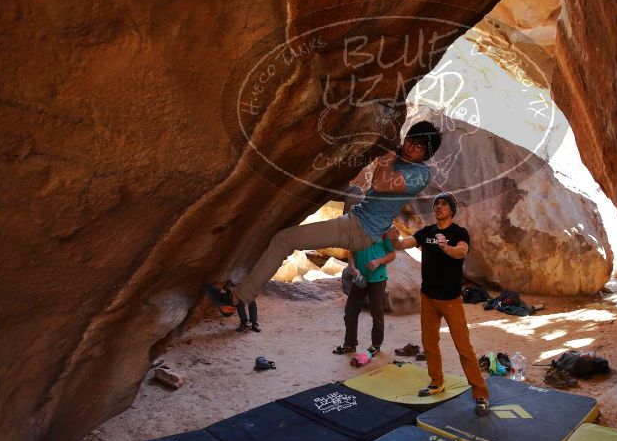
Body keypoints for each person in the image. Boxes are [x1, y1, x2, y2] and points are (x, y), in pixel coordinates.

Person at [203, 121, 442, 328]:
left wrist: (388, 154)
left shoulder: (420, 174)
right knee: (354, 193)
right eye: (411, 141)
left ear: (426, 154)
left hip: (358, 230)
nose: (411, 148)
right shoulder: (402, 159)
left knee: (283, 240)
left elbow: (380, 183)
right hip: (360, 218)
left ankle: (235, 300)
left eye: (419, 147)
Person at [389, 192, 490, 416]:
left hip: (451, 300)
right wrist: (392, 237)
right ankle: (437, 382)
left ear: (452, 210)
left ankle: (480, 393)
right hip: (428, 297)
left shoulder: (458, 233)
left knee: (463, 347)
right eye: (436, 204)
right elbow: (402, 244)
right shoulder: (427, 232)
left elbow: (461, 251)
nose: (439, 207)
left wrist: (446, 248)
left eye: (444, 204)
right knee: (430, 344)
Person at [333, 226, 398, 357]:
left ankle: (376, 345)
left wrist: (378, 261)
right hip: (360, 277)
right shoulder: (357, 230)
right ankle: (349, 345)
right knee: (350, 311)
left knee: (376, 312)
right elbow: (352, 253)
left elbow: (392, 254)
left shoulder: (384, 231)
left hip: (377, 278)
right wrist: (353, 268)